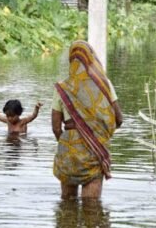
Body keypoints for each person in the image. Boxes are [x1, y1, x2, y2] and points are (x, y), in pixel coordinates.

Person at [51, 40, 123, 199]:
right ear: (91, 58)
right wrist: (99, 134)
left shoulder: (62, 87)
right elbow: (119, 118)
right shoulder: (105, 85)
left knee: (67, 205)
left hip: (69, 150)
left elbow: (56, 128)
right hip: (94, 148)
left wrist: (69, 143)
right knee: (92, 210)